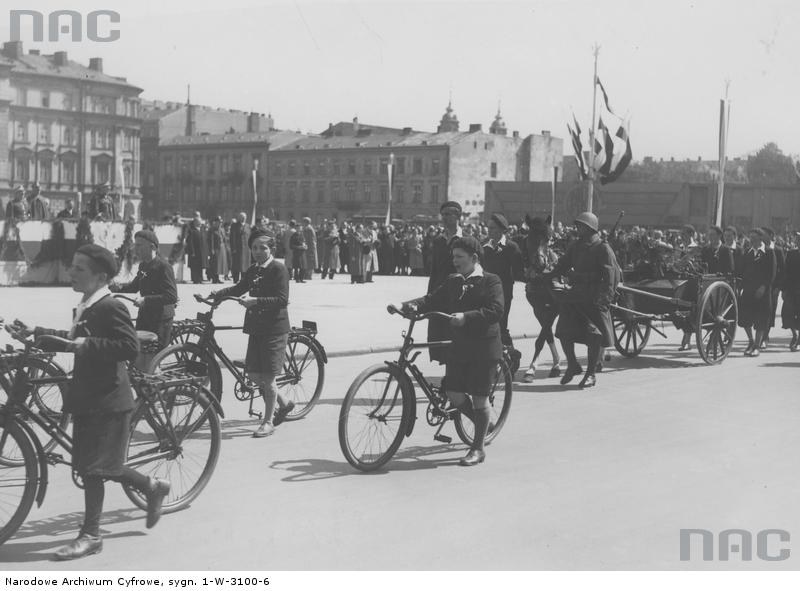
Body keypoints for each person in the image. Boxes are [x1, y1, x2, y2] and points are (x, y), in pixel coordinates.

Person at [12, 244, 170, 560]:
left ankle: (91, 536)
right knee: (95, 465)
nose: (71, 272)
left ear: (100, 276)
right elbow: (72, 338)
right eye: (72, 266)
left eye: (78, 269)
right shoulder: (87, 304)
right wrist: (36, 332)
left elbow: (126, 347)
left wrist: (87, 343)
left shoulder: (110, 306)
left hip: (109, 398)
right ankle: (152, 486)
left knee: (94, 469)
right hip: (88, 394)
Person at [390, 236, 503, 466]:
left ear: (474, 258)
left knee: (480, 399)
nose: (455, 261)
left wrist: (467, 317)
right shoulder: (453, 280)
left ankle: (478, 448)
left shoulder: (491, 281)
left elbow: (496, 310)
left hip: (484, 347)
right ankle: (485, 423)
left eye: (459, 257)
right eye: (453, 257)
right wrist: (405, 305)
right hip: (460, 345)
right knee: (454, 394)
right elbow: (431, 300)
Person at [211, 231, 294, 436]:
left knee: (267, 378)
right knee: (253, 375)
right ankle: (285, 403)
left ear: (271, 249)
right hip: (257, 327)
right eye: (254, 248)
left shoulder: (278, 269)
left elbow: (282, 300)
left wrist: (255, 301)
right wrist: (217, 295)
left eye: (262, 248)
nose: (257, 252)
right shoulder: (254, 269)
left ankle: (268, 422)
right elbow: (240, 287)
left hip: (274, 329)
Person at [548, 212, 618, 388]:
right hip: (576, 295)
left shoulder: (603, 248)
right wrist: (546, 277)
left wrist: (604, 299)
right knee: (563, 332)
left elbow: (611, 277)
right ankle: (572, 365)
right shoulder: (576, 246)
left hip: (594, 298)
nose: (577, 229)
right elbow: (562, 265)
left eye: (580, 226)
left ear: (590, 228)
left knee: (594, 336)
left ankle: (591, 374)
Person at [110, 230, 178, 347]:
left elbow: (171, 296)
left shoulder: (164, 267)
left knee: (154, 358)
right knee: (138, 351)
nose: (135, 249)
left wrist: (145, 300)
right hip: (145, 316)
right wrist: (118, 288)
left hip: (160, 320)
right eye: (135, 245)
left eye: (139, 245)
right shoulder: (143, 265)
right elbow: (135, 286)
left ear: (152, 247)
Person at [522, 215, 562, 381]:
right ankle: (557, 360)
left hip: (556, 294)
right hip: (535, 287)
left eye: (545, 240)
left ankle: (534, 364)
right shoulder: (527, 253)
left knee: (546, 325)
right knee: (545, 325)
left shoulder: (554, 258)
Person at [482, 213, 524, 372]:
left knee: (500, 325)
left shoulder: (512, 248)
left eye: (492, 228)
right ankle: (505, 358)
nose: (489, 231)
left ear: (501, 230)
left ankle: (511, 357)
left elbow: (519, 272)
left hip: (504, 294)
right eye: (488, 227)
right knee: (492, 326)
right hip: (485, 294)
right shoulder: (484, 246)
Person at [427, 201, 463, 362]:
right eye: (443, 214)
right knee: (439, 338)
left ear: (458, 217)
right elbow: (434, 272)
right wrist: (429, 296)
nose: (444, 218)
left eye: (448, 214)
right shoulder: (438, 241)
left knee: (457, 340)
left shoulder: (466, 241)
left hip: (459, 297)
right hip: (440, 295)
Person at [738, 228, 776, 356]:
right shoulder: (747, 253)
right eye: (750, 238)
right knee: (745, 318)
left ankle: (757, 346)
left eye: (754, 238)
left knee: (761, 318)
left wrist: (763, 287)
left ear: (761, 238)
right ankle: (751, 341)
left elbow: (772, 273)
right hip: (748, 290)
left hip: (762, 292)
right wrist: (740, 287)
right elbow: (741, 271)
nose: (752, 240)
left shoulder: (769, 252)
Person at [761, 227, 785, 350]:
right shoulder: (759, 249)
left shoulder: (778, 250)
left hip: (773, 287)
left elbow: (782, 270)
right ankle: (760, 335)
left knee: (769, 311)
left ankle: (765, 335)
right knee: (760, 311)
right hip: (760, 286)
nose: (762, 237)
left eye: (764, 234)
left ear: (770, 235)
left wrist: (779, 287)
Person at [782, 239, 800, 351]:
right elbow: (786, 272)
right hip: (791, 289)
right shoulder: (791, 254)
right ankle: (795, 334)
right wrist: (783, 289)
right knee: (787, 313)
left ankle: (797, 340)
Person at [229, 212, 251, 283]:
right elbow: (232, 238)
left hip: (246, 249)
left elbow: (250, 237)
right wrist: (233, 248)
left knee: (245, 265)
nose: (243, 218)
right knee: (236, 264)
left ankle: (243, 279)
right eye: (242, 217)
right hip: (237, 249)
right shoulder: (234, 226)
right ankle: (235, 279)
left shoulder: (248, 226)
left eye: (244, 217)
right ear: (239, 218)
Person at [185, 215, 206, 284]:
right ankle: (195, 279)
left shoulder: (202, 230)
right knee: (194, 266)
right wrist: (192, 251)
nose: (200, 223)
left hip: (201, 252)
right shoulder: (192, 230)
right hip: (194, 252)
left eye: (200, 222)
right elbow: (190, 242)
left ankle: (200, 279)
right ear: (195, 222)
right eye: (199, 222)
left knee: (200, 266)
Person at [207, 216, 228, 284]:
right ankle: (214, 278)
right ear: (215, 222)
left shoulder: (222, 229)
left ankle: (217, 278)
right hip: (216, 248)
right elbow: (211, 240)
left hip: (222, 248)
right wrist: (212, 249)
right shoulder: (212, 230)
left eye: (220, 222)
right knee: (215, 264)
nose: (219, 223)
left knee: (220, 264)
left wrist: (225, 247)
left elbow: (224, 239)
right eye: (218, 222)